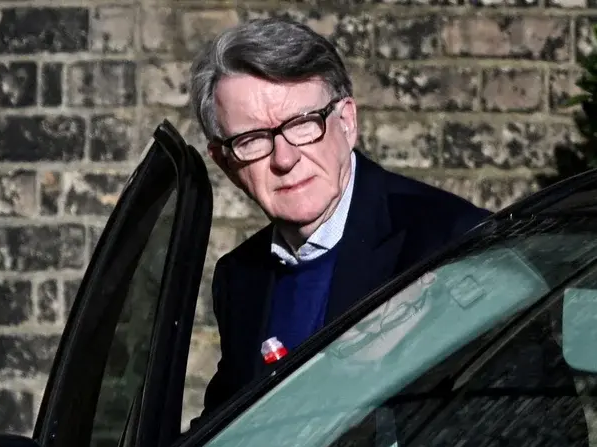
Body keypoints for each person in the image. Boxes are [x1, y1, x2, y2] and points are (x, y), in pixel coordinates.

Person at [188, 17, 491, 418]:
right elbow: (224, 435)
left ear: (347, 122)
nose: (284, 159)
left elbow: (537, 429)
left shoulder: (451, 242)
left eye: (302, 124)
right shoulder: (239, 278)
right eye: (253, 139)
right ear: (225, 162)